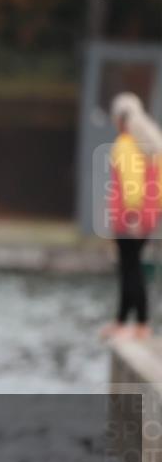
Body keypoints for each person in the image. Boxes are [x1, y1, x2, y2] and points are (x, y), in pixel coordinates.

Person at [103, 93, 162, 340]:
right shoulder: (150, 143)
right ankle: (127, 321)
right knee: (132, 267)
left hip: (130, 218)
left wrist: (132, 216)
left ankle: (138, 323)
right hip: (147, 217)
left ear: (119, 119)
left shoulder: (126, 144)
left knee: (130, 269)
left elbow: (131, 183)